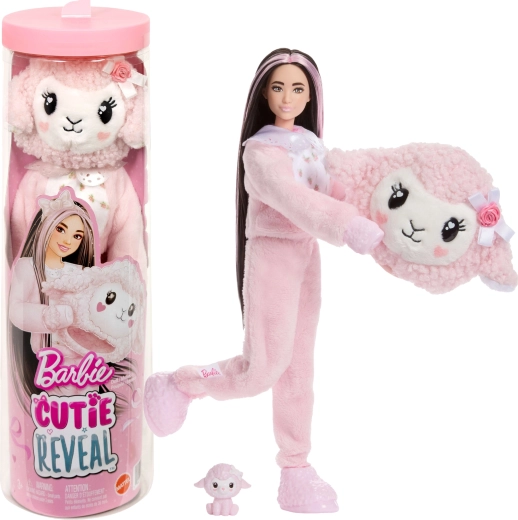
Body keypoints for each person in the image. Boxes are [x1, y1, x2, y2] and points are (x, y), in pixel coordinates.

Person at [144, 48, 383, 513]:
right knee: (262, 370)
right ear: (264, 95)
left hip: (307, 254)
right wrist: (347, 225)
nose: (287, 98)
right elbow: (294, 198)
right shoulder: (259, 151)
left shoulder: (311, 144)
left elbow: (331, 189)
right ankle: (182, 383)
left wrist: (384, 212)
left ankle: (296, 467)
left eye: (297, 88)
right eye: (278, 88)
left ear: (311, 95)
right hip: (273, 256)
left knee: (298, 369)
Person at [9, 189, 96, 405]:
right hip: (49, 359)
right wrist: (49, 316)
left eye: (77, 236)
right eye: (61, 229)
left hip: (83, 356)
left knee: (89, 402)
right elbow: (16, 310)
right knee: (55, 404)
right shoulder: (27, 267)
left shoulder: (79, 272)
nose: (68, 240)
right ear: (46, 226)